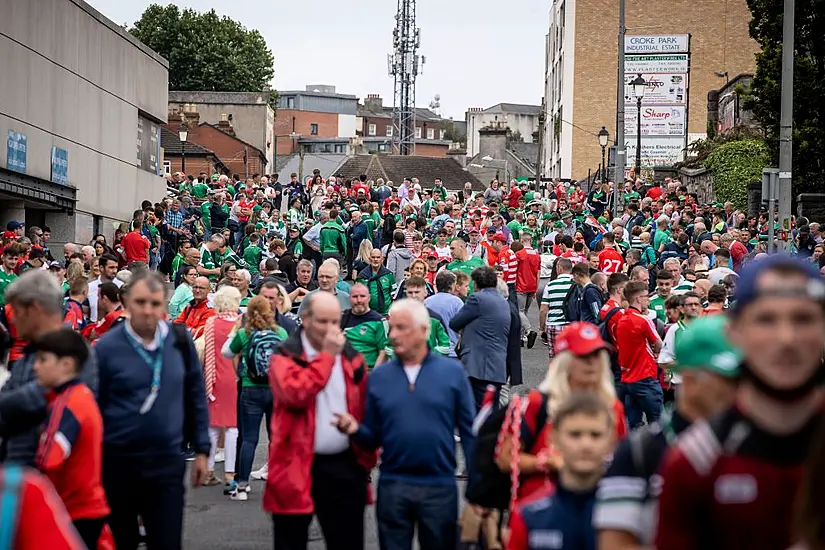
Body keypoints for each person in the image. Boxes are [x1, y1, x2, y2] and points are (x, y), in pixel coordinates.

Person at [656, 255, 825, 550]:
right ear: (736, 333)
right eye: (766, 320)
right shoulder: (694, 462)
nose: (786, 338)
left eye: (803, 319)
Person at [333, 298, 476, 550]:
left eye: (402, 328)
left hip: (439, 485)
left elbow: (469, 432)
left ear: (423, 331)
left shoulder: (451, 374)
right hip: (393, 484)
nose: (393, 335)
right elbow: (372, 436)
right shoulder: (379, 378)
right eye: (392, 328)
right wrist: (354, 430)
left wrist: (478, 486)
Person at [595, 315, 740, 550]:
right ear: (691, 381)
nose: (739, 390)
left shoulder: (747, 443)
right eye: (729, 380)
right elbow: (614, 542)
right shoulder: (639, 452)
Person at [94, 271, 210, 550]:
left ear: (164, 305)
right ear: (127, 303)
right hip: (118, 463)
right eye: (140, 302)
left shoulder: (179, 343)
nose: (148, 311)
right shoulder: (108, 348)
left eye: (155, 304)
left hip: (166, 462)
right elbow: (94, 405)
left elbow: (195, 395)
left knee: (166, 540)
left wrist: (203, 449)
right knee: (123, 541)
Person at [266, 292, 376, 550]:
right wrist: (326, 358)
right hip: (295, 464)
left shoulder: (351, 358)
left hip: (344, 464)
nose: (330, 329)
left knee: (347, 540)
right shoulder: (285, 355)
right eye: (323, 322)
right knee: (290, 540)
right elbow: (295, 395)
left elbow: (365, 406)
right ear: (304, 319)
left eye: (335, 322)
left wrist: (361, 440)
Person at [0, 271, 97, 465]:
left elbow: (37, 400)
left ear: (34, 309)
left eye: (16, 312)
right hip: (19, 474)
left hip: (49, 475)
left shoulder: (76, 354)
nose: (13, 320)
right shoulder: (28, 355)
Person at [29, 327, 111, 549]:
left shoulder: (67, 404)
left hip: (74, 509)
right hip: (88, 505)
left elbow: (47, 461)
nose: (36, 366)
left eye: (43, 359)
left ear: (66, 364)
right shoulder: (81, 396)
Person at [507, 393, 615, 550]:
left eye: (595, 435)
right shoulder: (529, 518)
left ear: (611, 439)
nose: (586, 444)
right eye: (575, 434)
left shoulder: (628, 517)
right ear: (554, 438)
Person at [222, 295, 287, 501]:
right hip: (275, 389)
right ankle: (278, 482)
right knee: (275, 437)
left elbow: (226, 353)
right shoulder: (281, 332)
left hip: (250, 388)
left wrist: (236, 331)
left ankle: (242, 485)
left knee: (249, 438)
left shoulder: (245, 333)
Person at [196, 285, 242, 487]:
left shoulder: (211, 323)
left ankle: (209, 470)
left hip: (213, 378)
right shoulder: (240, 324)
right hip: (234, 378)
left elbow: (203, 349)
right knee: (232, 427)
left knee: (213, 427)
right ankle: (231, 472)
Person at [450, 265, 510, 410]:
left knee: (477, 413)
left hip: (478, 365)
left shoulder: (477, 299)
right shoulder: (503, 301)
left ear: (476, 283)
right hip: (497, 365)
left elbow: (455, 322)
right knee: (490, 413)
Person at [615, 281, 663, 429]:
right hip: (645, 376)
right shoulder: (643, 320)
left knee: (633, 424)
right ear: (638, 298)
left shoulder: (621, 320)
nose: (648, 300)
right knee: (658, 423)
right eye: (646, 297)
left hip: (627, 379)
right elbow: (660, 344)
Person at [341, 282, 389, 369]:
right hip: (345, 374)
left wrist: (374, 375)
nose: (359, 300)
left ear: (369, 298)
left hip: (368, 373)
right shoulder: (341, 319)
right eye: (355, 296)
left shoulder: (379, 321)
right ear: (349, 298)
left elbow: (383, 352)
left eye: (362, 296)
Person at [424, 270, 465, 358]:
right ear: (451, 285)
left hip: (431, 351)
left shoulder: (427, 301)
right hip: (451, 351)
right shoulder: (456, 302)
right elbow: (463, 327)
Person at [514, 235, 541, 346]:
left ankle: (529, 331)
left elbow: (515, 269)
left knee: (519, 311)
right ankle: (520, 337)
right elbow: (538, 273)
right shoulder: (537, 255)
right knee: (524, 312)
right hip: (532, 284)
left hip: (521, 284)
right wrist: (536, 287)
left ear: (521, 241)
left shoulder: (519, 254)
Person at [357, 248, 396, 315]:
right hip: (367, 314)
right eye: (373, 257)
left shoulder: (389, 275)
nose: (375, 259)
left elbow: (394, 295)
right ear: (369, 259)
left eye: (378, 257)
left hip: (386, 314)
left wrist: (391, 312)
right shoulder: (362, 276)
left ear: (382, 259)